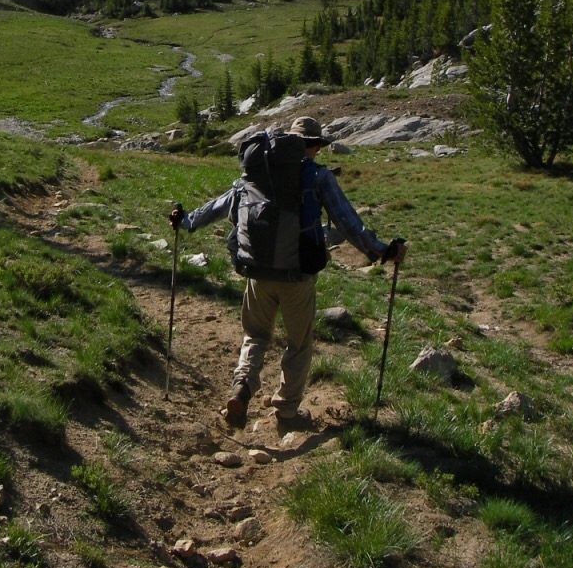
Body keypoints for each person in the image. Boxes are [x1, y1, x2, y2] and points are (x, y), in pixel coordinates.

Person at [170, 116, 407, 430]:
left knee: (255, 335)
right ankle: (286, 412)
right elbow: (348, 222)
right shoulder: (317, 176)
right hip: (297, 276)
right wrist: (382, 251)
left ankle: (242, 389)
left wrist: (186, 220)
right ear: (314, 146)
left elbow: (218, 206)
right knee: (298, 344)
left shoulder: (257, 172)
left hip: (256, 271)